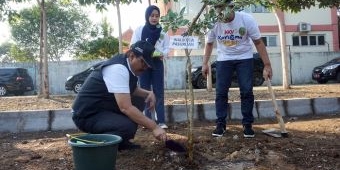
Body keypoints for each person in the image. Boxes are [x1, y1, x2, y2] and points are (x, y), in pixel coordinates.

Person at [71, 40, 168, 151]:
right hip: (86, 115)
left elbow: (130, 89)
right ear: (131, 56)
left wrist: (148, 93)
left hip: (101, 107)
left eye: (148, 65)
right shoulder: (118, 69)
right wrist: (154, 127)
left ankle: (121, 142)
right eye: (143, 62)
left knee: (139, 99)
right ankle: (99, 144)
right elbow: (125, 107)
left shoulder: (127, 65)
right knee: (126, 125)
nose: (145, 68)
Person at [202, 0, 273, 138]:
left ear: (232, 7)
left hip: (244, 57)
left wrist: (267, 65)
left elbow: (258, 42)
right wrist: (205, 63)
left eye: (224, 9)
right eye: (218, 10)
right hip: (224, 59)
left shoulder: (246, 19)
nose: (221, 13)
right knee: (221, 92)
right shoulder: (213, 22)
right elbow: (209, 43)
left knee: (246, 90)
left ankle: (247, 124)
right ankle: (220, 124)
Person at [130, 5, 170, 129]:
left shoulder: (163, 32)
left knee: (159, 91)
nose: (154, 18)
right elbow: (133, 45)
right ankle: (147, 121)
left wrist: (160, 54)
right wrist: (144, 53)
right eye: (152, 15)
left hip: (157, 63)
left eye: (157, 16)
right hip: (143, 64)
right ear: (147, 16)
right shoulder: (140, 29)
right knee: (145, 90)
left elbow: (167, 48)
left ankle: (161, 121)